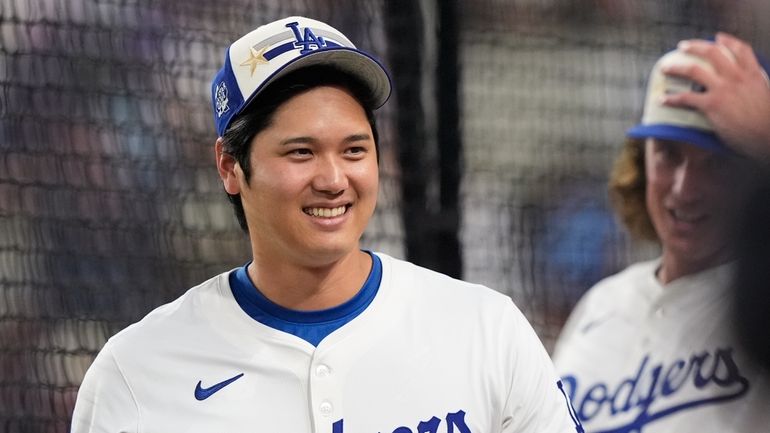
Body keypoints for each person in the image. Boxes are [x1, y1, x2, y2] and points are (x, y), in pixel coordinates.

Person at [70, 16, 582, 433]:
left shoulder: (487, 331)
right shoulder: (137, 371)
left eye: (354, 149)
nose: (334, 179)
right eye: (301, 152)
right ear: (230, 166)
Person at [552, 33, 770, 433]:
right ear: (641, 160)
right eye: (669, 155)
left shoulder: (758, 298)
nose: (685, 188)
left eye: (717, 163)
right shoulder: (600, 307)